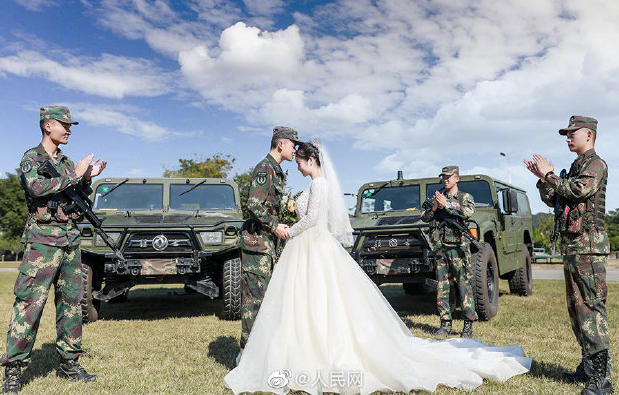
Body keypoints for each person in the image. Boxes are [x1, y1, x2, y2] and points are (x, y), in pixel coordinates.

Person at [225, 140, 531, 395]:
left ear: (310, 160)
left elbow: (314, 219)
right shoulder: (315, 184)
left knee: (317, 299)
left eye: (300, 161)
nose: (298, 166)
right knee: (307, 300)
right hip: (307, 248)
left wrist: (288, 230)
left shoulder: (318, 184)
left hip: (309, 243)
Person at [0, 106, 106, 394]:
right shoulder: (31, 158)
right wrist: (76, 175)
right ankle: (13, 369)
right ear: (48, 126)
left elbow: (77, 196)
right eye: (65, 124)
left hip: (70, 239)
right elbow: (36, 187)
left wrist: (87, 178)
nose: (69, 130)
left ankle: (69, 362)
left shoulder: (67, 162)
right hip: (43, 240)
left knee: (71, 304)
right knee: (29, 304)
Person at [524, 115, 612, 395]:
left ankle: (602, 378)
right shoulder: (576, 166)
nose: (568, 137)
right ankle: (588, 367)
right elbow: (555, 198)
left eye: (572, 133)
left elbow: (578, 190)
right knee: (577, 310)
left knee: (591, 308)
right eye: (567, 133)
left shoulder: (595, 164)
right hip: (573, 246)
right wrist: (542, 180)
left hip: (588, 246)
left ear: (589, 135)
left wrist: (549, 175)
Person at [237, 126, 300, 366]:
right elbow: (254, 205)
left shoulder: (275, 170)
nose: (295, 149)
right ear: (281, 144)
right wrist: (275, 226)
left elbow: (266, 207)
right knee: (253, 301)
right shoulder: (265, 168)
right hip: (256, 246)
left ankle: (258, 354)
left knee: (264, 301)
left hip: (266, 246)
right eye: (293, 144)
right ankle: (245, 358)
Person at [421, 165, 478, 338]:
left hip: (459, 249)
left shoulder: (465, 197)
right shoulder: (437, 197)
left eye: (449, 177)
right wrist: (435, 207)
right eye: (443, 177)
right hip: (441, 249)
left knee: (464, 286)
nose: (445, 180)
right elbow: (424, 217)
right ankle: (445, 323)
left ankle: (468, 325)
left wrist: (447, 206)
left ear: (457, 179)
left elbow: (467, 213)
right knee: (442, 287)